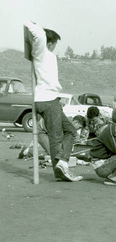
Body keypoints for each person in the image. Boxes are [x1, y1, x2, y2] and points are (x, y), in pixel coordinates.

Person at [24, 21, 81, 182]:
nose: (55, 47)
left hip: (50, 99)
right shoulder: (41, 52)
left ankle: (61, 166)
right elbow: (37, 33)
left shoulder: (46, 56)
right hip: (47, 99)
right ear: (50, 43)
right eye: (55, 43)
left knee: (70, 131)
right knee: (56, 137)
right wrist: (33, 24)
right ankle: (62, 165)